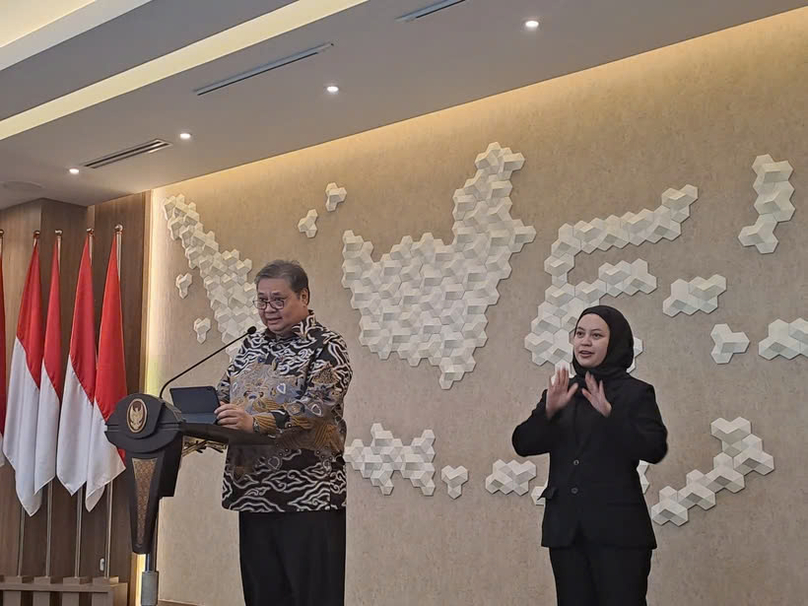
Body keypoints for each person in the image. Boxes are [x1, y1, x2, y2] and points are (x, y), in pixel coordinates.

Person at [214, 260, 352, 606]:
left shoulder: (327, 346)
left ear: (303, 296)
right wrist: (204, 419)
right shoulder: (251, 347)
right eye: (261, 301)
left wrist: (256, 423)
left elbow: (316, 407)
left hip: (308, 496)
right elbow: (224, 393)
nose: (268, 310)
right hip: (253, 494)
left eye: (278, 300)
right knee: (263, 597)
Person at [512, 305, 668, 606]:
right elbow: (522, 443)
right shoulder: (562, 392)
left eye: (596, 335)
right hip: (566, 530)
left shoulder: (635, 393)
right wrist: (549, 412)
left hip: (618, 530)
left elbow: (654, 448)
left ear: (615, 342)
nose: (585, 342)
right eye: (579, 334)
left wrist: (611, 415)